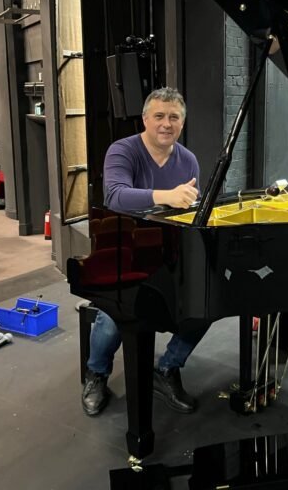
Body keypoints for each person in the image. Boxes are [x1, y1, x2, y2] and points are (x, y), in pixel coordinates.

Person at [82, 87, 208, 417]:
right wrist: (165, 195)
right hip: (125, 252)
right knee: (114, 317)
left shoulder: (188, 160)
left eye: (174, 117)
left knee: (205, 305)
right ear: (145, 119)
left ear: (182, 123)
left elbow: (189, 211)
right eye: (159, 116)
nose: (166, 123)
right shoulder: (123, 151)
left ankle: (166, 368)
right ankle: (96, 373)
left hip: (169, 253)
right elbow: (115, 196)